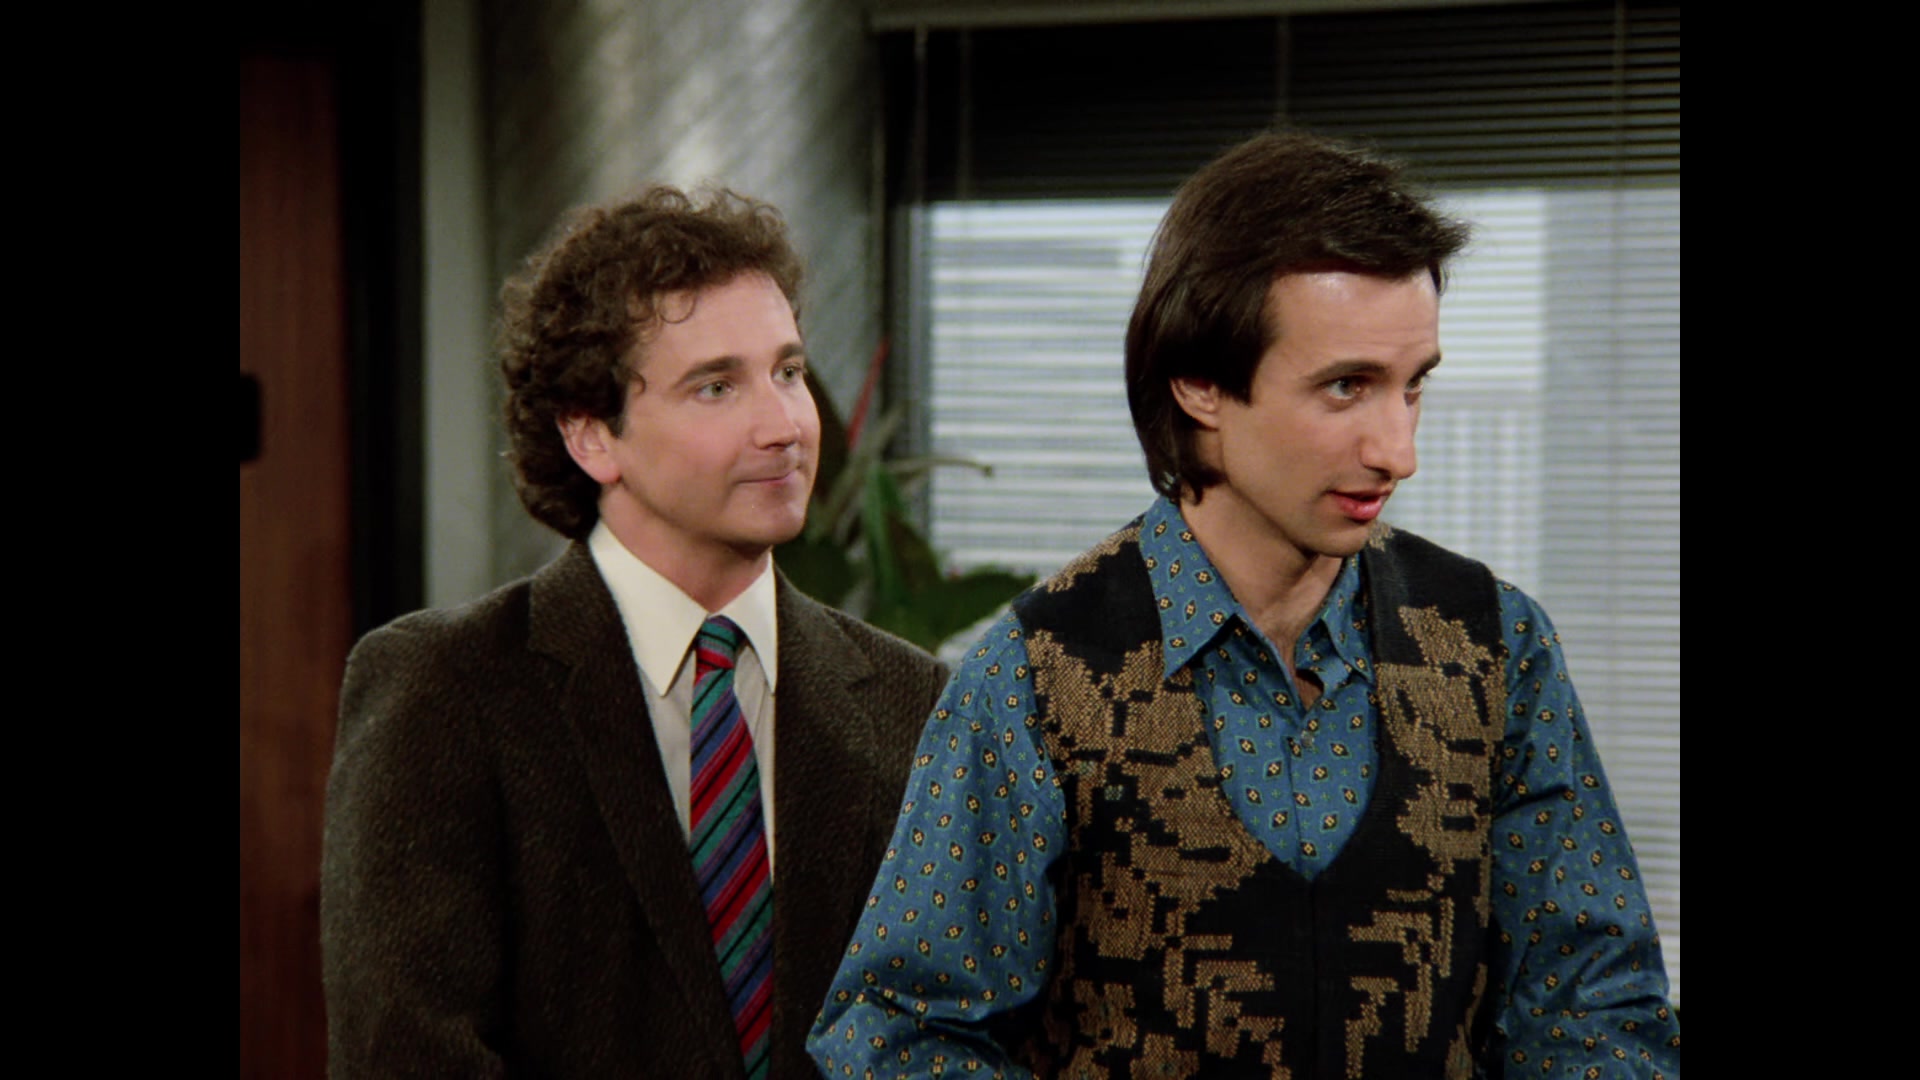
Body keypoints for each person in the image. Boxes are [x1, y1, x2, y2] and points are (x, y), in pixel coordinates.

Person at [807, 131, 1680, 1078]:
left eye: (1413, 386)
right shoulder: (1038, 677)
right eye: (1346, 388)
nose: (1399, 451)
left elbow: (1596, 1008)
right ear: (1200, 383)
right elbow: (898, 1034)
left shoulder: (1495, 645)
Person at [320, 185, 949, 1078]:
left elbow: (943, 1030)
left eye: (789, 372)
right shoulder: (446, 689)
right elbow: (407, 1056)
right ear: (591, 437)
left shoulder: (914, 700)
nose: (785, 426)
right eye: (716, 386)